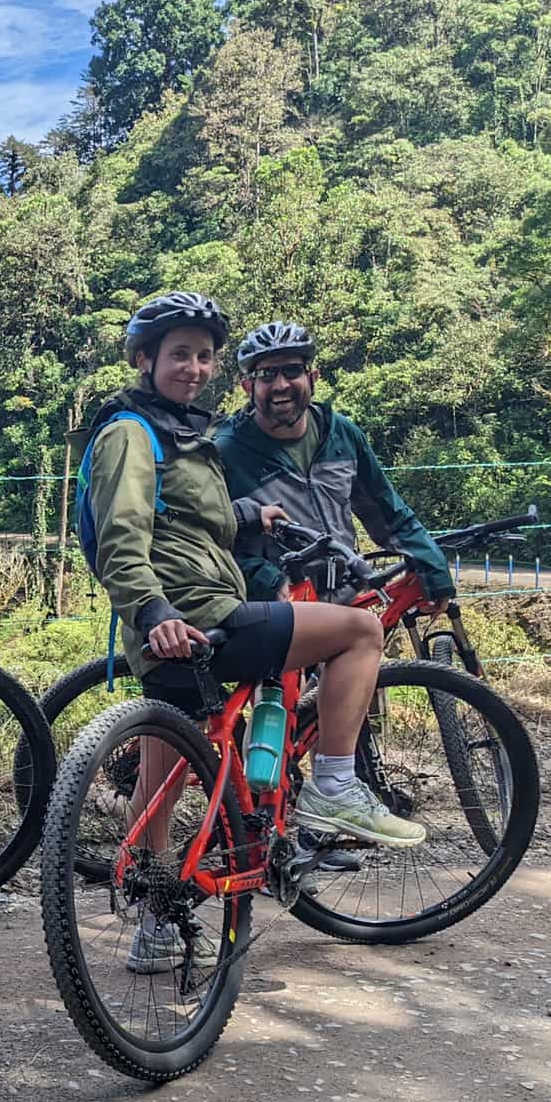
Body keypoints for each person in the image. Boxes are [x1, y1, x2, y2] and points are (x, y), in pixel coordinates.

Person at [83, 292, 425, 973]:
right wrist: (155, 613)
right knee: (358, 630)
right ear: (145, 359)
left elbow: (181, 517)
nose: (194, 367)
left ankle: (153, 928)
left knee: (162, 782)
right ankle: (333, 785)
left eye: (204, 355)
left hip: (175, 635)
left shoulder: (176, 431)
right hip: (196, 618)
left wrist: (245, 516)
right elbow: (123, 536)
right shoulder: (131, 432)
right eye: (180, 354)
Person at [214, 320, 454, 607]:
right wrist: (267, 581)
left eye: (292, 371)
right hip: (280, 610)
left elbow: (388, 513)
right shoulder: (226, 450)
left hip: (350, 594)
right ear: (248, 386)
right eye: (267, 375)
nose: (281, 385)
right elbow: (210, 541)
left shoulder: (341, 434)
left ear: (313, 376)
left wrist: (435, 572)